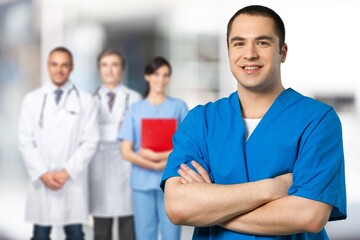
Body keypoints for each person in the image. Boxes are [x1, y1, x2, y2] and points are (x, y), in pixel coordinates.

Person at [161, 5, 347, 240]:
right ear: (229, 51)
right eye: (238, 43)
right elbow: (178, 207)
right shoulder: (200, 121)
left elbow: (309, 215)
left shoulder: (318, 121)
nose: (249, 54)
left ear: (283, 52)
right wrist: (270, 189)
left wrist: (209, 207)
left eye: (262, 42)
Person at [18, 46, 99, 240]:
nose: (59, 69)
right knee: (40, 234)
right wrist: (43, 173)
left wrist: (67, 171)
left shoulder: (86, 100)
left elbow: (91, 140)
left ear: (71, 68)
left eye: (64, 65)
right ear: (48, 66)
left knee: (75, 234)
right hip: (42, 181)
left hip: (71, 181)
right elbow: (25, 140)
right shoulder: (32, 99)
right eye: (54, 64)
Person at [118, 56, 188, 240]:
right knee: (144, 234)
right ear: (147, 76)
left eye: (165, 75)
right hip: (142, 183)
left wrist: (161, 160)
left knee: (171, 234)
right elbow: (126, 151)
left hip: (171, 181)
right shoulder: (135, 109)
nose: (161, 79)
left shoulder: (179, 107)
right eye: (156, 74)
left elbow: (187, 146)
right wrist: (149, 160)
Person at [89, 49, 141, 240]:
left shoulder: (134, 99)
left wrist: (105, 129)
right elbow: (88, 134)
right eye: (104, 65)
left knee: (128, 229)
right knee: (101, 230)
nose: (109, 70)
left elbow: (138, 134)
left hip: (126, 170)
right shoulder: (89, 99)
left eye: (114, 65)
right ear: (99, 69)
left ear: (122, 69)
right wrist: (119, 129)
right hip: (100, 171)